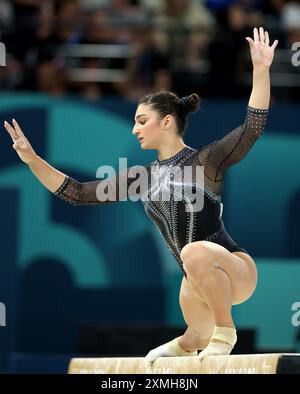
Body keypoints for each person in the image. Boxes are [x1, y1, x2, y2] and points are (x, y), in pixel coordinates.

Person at [3, 27, 277, 362]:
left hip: (234, 270)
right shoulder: (141, 178)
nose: (134, 129)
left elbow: (252, 130)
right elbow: (76, 192)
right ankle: (189, 341)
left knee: (193, 253)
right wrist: (33, 160)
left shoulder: (206, 161)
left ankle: (226, 330)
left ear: (166, 122)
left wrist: (261, 70)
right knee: (194, 334)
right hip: (197, 279)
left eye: (141, 120)